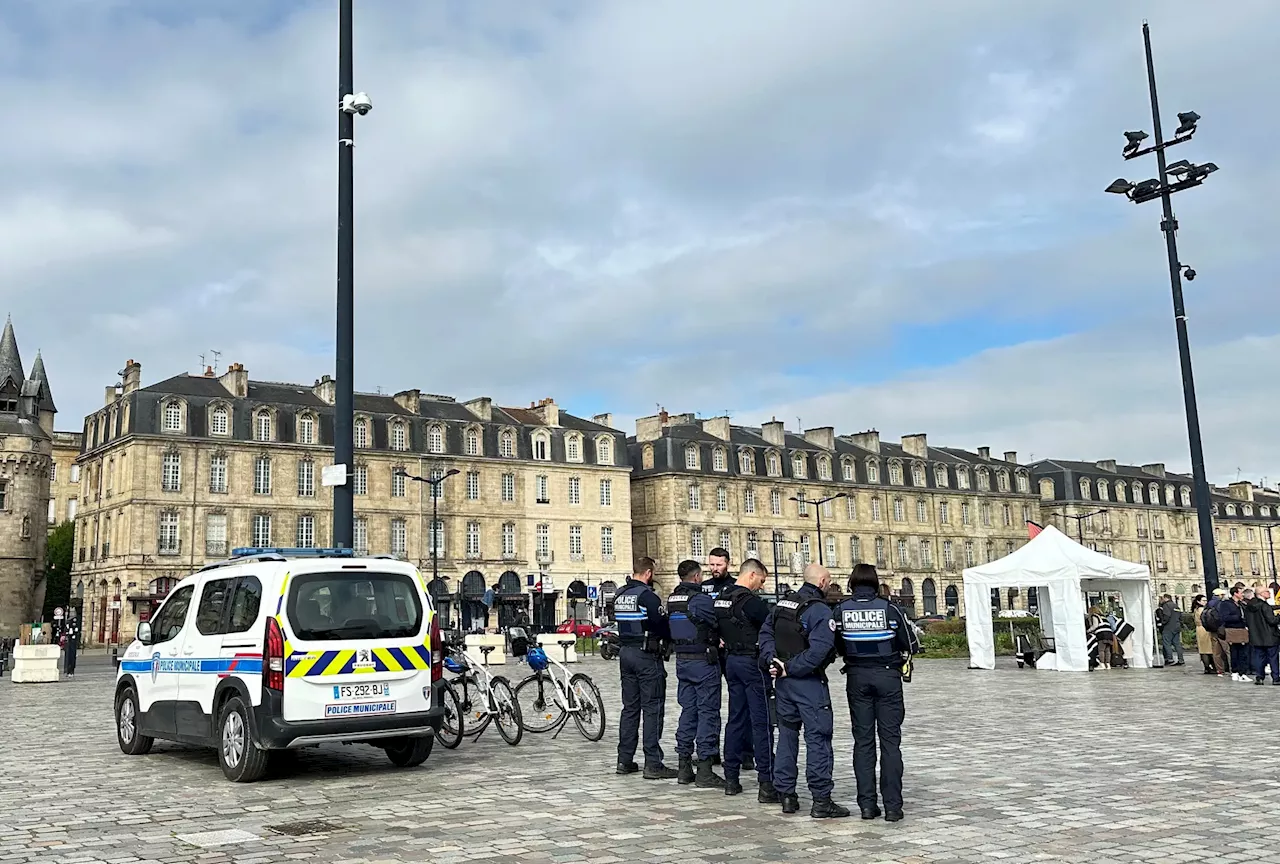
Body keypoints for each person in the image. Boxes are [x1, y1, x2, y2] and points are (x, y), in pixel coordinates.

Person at [759, 563, 849, 818]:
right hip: (807, 683)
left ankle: (786, 794)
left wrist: (772, 661)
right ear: (821, 582)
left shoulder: (783, 604)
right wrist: (788, 667)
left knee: (787, 737)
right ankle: (821, 800)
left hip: (784, 685)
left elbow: (765, 633)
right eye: (829, 581)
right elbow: (820, 651)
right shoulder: (819, 611)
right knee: (818, 739)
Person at [834, 563, 917, 823]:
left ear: (851, 583)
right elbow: (910, 642)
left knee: (863, 742)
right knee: (890, 742)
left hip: (857, 677)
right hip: (887, 676)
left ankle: (867, 806)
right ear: (875, 582)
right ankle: (893, 807)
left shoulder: (841, 610)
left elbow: (836, 646)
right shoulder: (890, 608)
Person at [715, 558, 778, 803]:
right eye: (761, 580)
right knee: (761, 722)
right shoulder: (751, 603)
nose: (762, 586)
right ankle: (767, 783)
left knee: (735, 719)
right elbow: (771, 625)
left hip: (731, 662)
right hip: (752, 663)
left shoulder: (720, 599)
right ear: (751, 575)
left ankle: (731, 778)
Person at [615, 556, 677, 779]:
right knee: (652, 707)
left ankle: (624, 759)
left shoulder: (620, 594)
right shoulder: (648, 597)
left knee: (630, 708)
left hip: (625, 653)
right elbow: (662, 624)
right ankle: (653, 763)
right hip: (646, 655)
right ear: (649, 573)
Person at [668, 559, 724, 788]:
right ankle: (704, 768)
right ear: (697, 577)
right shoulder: (700, 600)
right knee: (708, 713)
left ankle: (684, 766)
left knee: (688, 712)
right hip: (703, 662)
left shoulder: (672, 599)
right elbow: (717, 623)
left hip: (682, 661)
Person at [703, 547, 753, 771]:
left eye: (719, 565)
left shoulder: (736, 587)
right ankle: (710, 750)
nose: (714, 569)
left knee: (740, 703)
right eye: (711, 564)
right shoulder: (703, 587)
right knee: (709, 703)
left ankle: (746, 752)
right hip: (711, 650)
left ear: (728, 564)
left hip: (733, 650)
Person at [1243, 586, 1280, 685]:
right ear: (1261, 594)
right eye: (1267, 591)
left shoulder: (1249, 606)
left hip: (1256, 637)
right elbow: (1272, 621)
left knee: (1259, 658)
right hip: (1270, 636)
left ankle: (1259, 677)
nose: (1269, 593)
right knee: (1273, 658)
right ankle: (1276, 678)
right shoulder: (1264, 605)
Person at [1221, 584, 1251, 681]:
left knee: (1243, 652)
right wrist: (1239, 617)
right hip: (1233, 629)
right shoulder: (1227, 604)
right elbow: (1224, 617)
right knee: (1235, 651)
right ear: (1235, 593)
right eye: (1241, 592)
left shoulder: (1241, 604)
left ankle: (1242, 672)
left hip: (1242, 629)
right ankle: (1235, 671)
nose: (1242, 594)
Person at [1205, 588, 1230, 676]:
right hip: (1221, 629)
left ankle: (1219, 670)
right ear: (1220, 595)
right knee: (1227, 650)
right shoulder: (1220, 604)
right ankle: (1232, 669)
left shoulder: (1209, 604)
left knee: (1216, 652)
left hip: (1212, 629)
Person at [1191, 595, 1216, 675]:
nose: (1205, 602)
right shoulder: (1202, 610)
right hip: (1204, 629)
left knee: (1203, 649)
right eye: (1203, 600)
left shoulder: (1196, 609)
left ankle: (1207, 667)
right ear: (1198, 601)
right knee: (1208, 649)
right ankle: (1209, 666)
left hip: (1199, 629)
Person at [1157, 595, 1184, 666]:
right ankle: (1181, 660)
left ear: (1166, 598)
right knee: (1177, 644)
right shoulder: (1176, 606)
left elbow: (1167, 615)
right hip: (1177, 626)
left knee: (1167, 643)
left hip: (1169, 627)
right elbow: (1180, 616)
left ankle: (1170, 659)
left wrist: (1162, 623)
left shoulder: (1166, 605)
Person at [63, 612, 80, 676]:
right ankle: (67, 670)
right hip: (69, 642)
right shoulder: (68, 625)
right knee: (68, 657)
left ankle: (70, 671)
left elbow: (75, 632)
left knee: (71, 657)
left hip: (72, 642)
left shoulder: (73, 625)